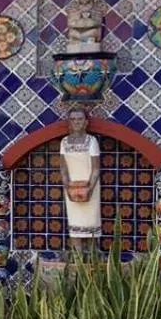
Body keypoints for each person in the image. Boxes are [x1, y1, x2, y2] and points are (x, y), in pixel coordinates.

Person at [57, 108, 101, 253]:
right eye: (73, 119)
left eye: (80, 119)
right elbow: (63, 169)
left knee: (91, 225)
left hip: (90, 188)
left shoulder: (91, 141)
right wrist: (67, 188)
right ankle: (77, 259)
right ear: (69, 122)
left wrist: (89, 189)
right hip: (72, 189)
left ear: (86, 122)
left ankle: (93, 259)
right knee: (75, 226)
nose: (76, 122)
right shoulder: (64, 142)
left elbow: (96, 169)